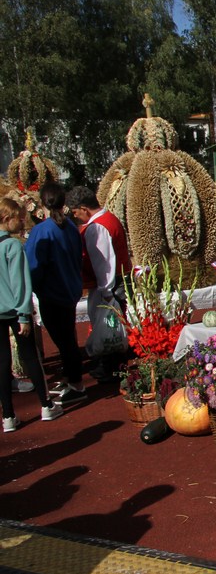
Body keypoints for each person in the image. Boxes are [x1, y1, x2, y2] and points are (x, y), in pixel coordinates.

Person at [0, 198, 63, 432]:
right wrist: (25, 315)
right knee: (30, 357)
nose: (23, 221)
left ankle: (7, 415)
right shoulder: (13, 246)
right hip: (15, 311)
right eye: (19, 217)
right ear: (7, 219)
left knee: (2, 362)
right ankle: (46, 404)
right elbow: (20, 283)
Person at [25, 183, 86, 404]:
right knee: (67, 336)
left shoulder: (42, 230)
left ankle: (77, 384)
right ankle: (72, 377)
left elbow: (34, 264)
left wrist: (32, 288)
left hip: (51, 292)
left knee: (64, 340)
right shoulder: (70, 227)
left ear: (43, 203)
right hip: (69, 289)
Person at [67, 185, 132, 383]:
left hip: (109, 285)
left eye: (75, 212)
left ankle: (111, 368)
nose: (76, 216)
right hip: (117, 281)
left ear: (84, 208)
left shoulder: (97, 227)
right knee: (114, 325)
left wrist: (106, 291)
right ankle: (115, 365)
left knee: (108, 325)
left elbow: (103, 263)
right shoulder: (109, 218)